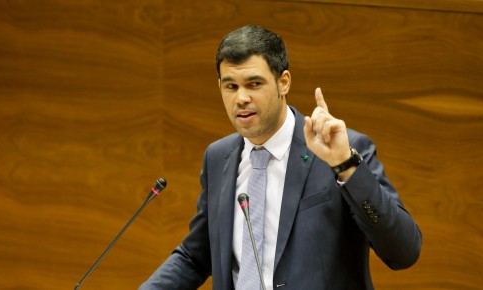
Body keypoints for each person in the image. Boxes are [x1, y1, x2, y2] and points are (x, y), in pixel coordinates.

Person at [140, 25, 422, 290]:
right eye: (231, 86)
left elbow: (404, 252)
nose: (241, 98)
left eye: (254, 84)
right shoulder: (218, 157)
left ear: (283, 82)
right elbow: (196, 255)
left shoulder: (341, 150)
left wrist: (346, 166)